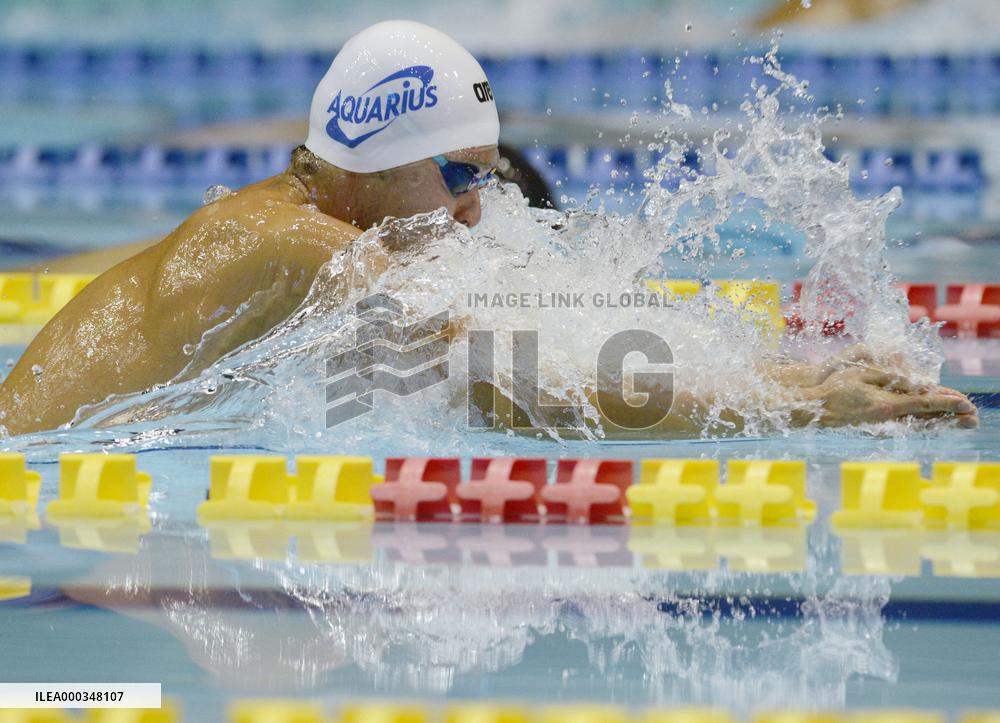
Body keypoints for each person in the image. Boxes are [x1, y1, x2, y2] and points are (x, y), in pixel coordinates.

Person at [0, 21, 977, 437]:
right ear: (369, 163)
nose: (479, 205)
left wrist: (791, 372)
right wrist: (801, 406)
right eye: (461, 174)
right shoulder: (302, 246)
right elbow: (514, 395)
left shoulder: (298, 227)